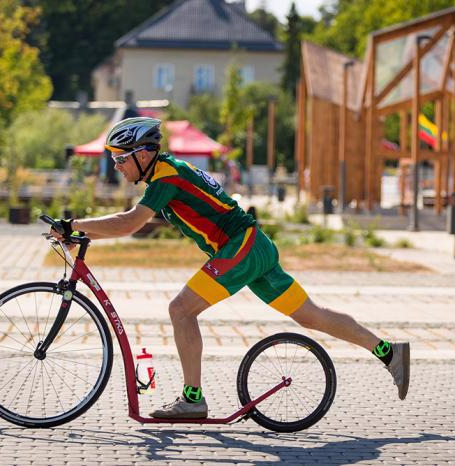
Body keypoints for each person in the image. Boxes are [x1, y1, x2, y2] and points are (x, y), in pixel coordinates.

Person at [51, 117, 410, 419]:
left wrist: (75, 225)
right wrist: (87, 234)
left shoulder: (166, 176)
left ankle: (193, 399)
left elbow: (130, 223)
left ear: (143, 153)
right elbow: (136, 222)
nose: (117, 166)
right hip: (254, 246)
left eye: (120, 158)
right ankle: (389, 352)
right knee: (311, 315)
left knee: (181, 309)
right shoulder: (166, 173)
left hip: (242, 247)